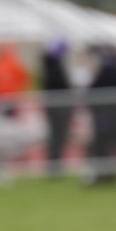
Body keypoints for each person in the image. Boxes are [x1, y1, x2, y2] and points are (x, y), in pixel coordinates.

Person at [85, 45, 116, 186]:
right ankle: (109, 173)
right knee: (110, 144)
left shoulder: (103, 74)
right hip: (110, 116)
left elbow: (91, 92)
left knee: (103, 144)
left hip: (104, 116)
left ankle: (105, 172)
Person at [40, 39, 74, 176]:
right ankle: (55, 165)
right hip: (58, 106)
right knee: (57, 135)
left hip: (57, 105)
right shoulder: (54, 66)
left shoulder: (51, 65)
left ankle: (55, 164)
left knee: (57, 135)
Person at [0, 41, 30, 118]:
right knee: (4, 118)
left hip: (11, 96)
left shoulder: (13, 63)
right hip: (1, 96)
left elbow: (23, 78)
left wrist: (18, 90)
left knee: (11, 118)